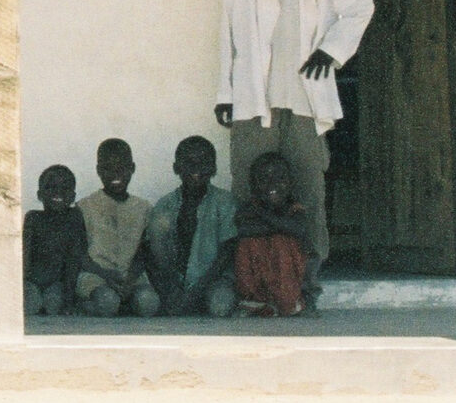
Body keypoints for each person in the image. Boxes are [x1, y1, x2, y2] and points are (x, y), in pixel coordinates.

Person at [214, 0, 375, 302]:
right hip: (253, 96)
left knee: (308, 191)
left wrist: (332, 50)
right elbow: (226, 29)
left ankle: (307, 284)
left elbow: (360, 6)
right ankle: (252, 282)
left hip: (305, 97)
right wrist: (225, 92)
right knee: (247, 191)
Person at [144, 136, 239, 317]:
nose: (196, 168)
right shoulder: (165, 205)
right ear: (176, 168)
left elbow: (228, 251)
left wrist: (198, 290)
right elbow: (152, 253)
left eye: (204, 162)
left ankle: (191, 304)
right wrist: (170, 289)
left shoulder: (224, 202)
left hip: (213, 281)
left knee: (221, 304)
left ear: (213, 168)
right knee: (150, 302)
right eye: (189, 162)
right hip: (175, 282)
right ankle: (181, 302)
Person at [76, 138, 160, 317]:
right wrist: (105, 274)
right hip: (96, 275)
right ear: (98, 170)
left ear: (132, 168)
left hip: (132, 276)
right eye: (108, 168)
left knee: (148, 303)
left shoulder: (144, 208)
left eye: (122, 168)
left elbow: (145, 252)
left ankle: (123, 305)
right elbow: (80, 253)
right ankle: (92, 304)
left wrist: (131, 278)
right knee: (107, 301)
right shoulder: (85, 207)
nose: (115, 174)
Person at [232, 151, 312, 317]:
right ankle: (256, 301)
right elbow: (243, 230)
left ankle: (287, 301)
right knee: (248, 243)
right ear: (253, 185)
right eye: (264, 180)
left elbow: (298, 228)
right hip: (257, 272)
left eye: (280, 179)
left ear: (291, 183)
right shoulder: (248, 208)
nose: (272, 185)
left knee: (281, 242)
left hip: (286, 276)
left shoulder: (295, 209)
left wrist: (264, 216)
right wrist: (280, 224)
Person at [23, 165, 90, 317]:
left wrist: (69, 299)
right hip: (32, 281)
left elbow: (74, 260)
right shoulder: (33, 218)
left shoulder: (74, 218)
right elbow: (24, 257)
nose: (57, 192)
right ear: (40, 194)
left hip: (57, 283)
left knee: (54, 306)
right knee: (31, 305)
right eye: (50, 187)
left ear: (73, 197)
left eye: (64, 188)